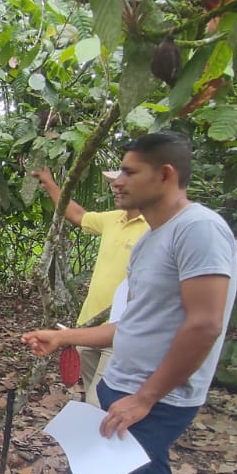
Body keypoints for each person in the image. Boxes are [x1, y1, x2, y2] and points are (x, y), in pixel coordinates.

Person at [21, 131, 237, 474]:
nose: (117, 181)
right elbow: (131, 326)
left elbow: (205, 324)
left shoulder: (199, 229)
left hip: (155, 400)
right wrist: (65, 337)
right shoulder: (151, 240)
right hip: (123, 390)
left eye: (129, 172)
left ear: (166, 174)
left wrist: (146, 397)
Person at [35, 167, 149, 406]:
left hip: (121, 331)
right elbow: (76, 214)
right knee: (90, 397)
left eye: (123, 182)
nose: (115, 187)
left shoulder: (155, 228)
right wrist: (49, 183)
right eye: (114, 183)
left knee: (100, 403)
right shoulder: (113, 219)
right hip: (88, 326)